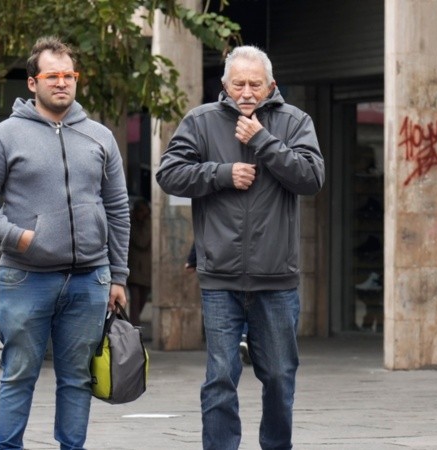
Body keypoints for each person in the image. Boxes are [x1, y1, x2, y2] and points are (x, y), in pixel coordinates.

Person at [0, 36, 130, 450]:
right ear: (32, 83)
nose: (62, 83)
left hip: (89, 280)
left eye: (68, 75)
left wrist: (118, 275)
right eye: (52, 75)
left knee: (76, 378)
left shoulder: (100, 137)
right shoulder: (5, 136)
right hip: (26, 277)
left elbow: (118, 208)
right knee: (19, 374)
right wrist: (14, 236)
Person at [156, 45, 325, 450]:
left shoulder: (295, 122)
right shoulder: (201, 122)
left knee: (281, 377)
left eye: (255, 84)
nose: (246, 92)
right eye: (238, 84)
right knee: (219, 377)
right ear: (224, 85)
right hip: (220, 277)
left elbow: (311, 178)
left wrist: (264, 141)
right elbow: (169, 174)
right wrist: (221, 173)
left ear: (271, 86)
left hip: (276, 278)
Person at [128, 198, 152, 326]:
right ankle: (134, 327)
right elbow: (141, 241)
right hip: (134, 269)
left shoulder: (149, 222)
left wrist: (147, 221)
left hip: (147, 269)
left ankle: (134, 325)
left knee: (142, 299)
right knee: (135, 302)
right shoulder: (132, 223)